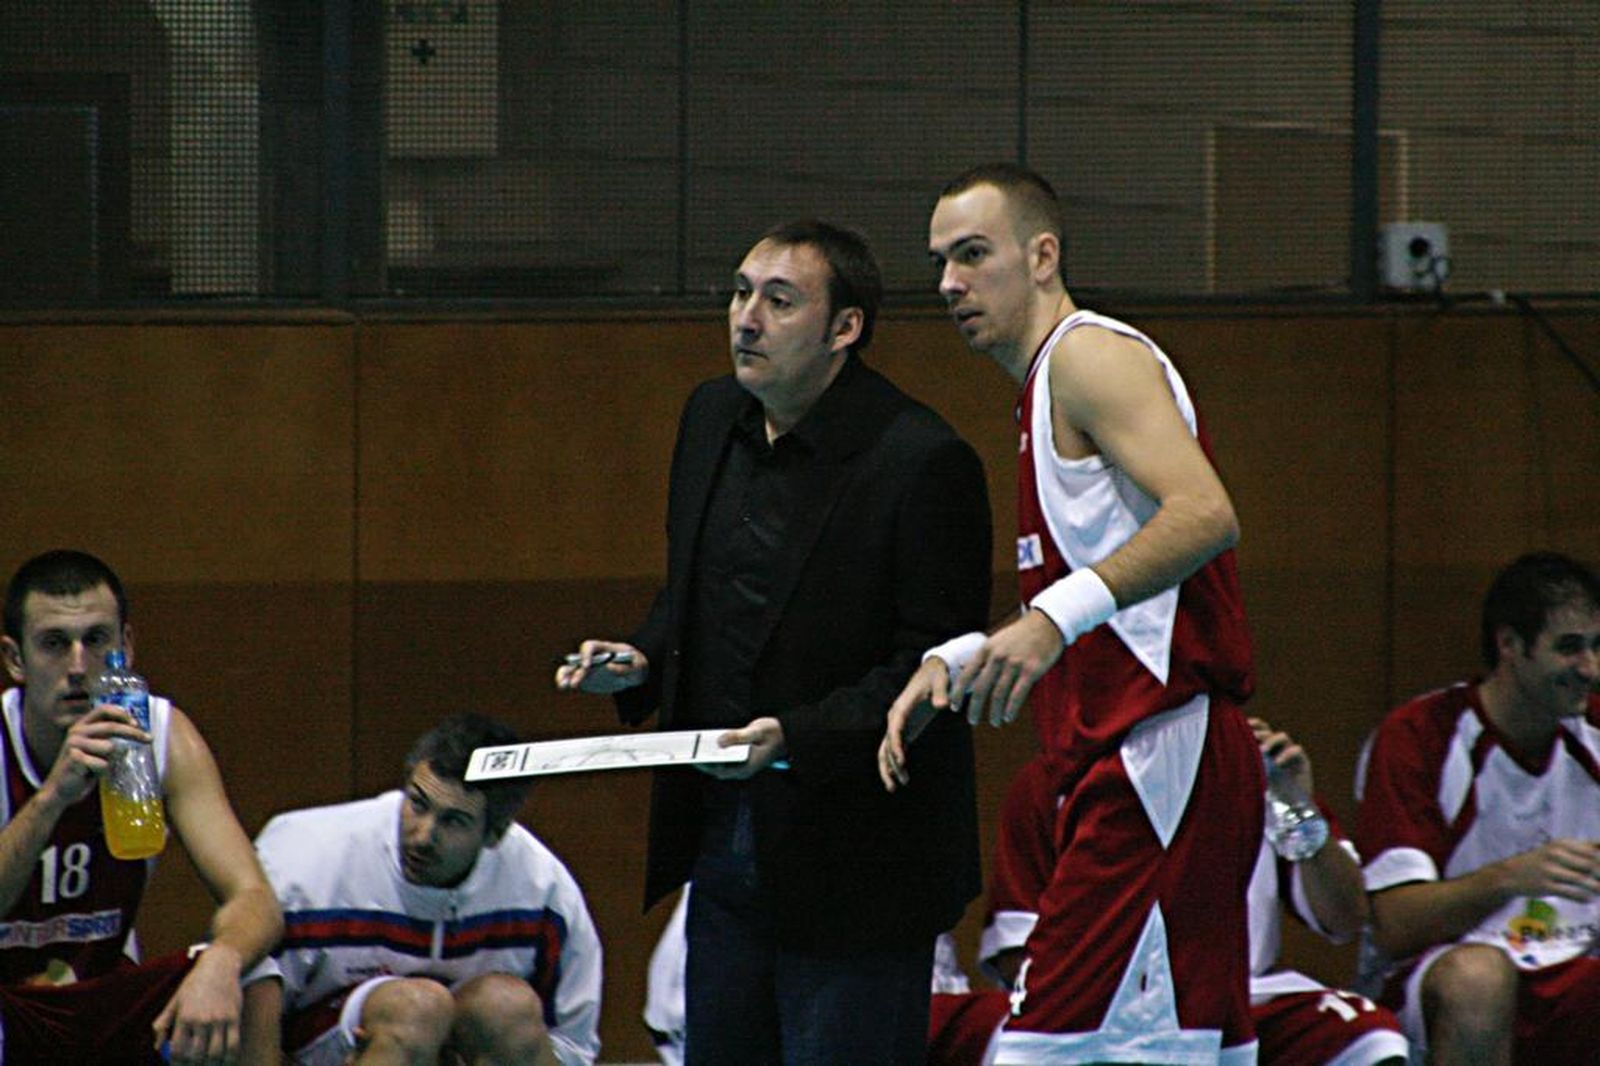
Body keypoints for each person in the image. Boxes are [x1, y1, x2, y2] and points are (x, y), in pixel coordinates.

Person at [556, 218, 993, 1064]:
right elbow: (700, 589)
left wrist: (795, 736)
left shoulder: (922, 460)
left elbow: (934, 665)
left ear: (845, 329)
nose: (745, 318)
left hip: (860, 863)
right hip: (725, 846)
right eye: (740, 292)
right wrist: (644, 655)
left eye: (779, 300)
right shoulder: (712, 415)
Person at [879, 162, 1261, 1063]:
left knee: (1046, 1051)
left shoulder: (1089, 355)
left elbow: (1206, 514)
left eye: (973, 255)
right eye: (939, 263)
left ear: (1042, 255)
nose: (948, 283)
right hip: (1136, 759)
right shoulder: (1045, 388)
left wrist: (1049, 618)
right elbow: (1104, 607)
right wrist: (965, 654)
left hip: (1160, 756)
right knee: (1175, 1048)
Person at [944, 726, 1408, 1066]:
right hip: (1095, 1000)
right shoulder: (1053, 778)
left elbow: (1346, 919)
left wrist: (1299, 810)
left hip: (1241, 997)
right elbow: (1013, 955)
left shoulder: (1247, 761)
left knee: (1369, 1040)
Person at [0, 549, 284, 1065]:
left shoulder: (159, 739)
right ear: (14, 659)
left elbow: (255, 898)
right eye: (54, 645)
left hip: (103, 991)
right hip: (8, 1001)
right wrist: (51, 798)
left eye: (97, 640)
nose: (79, 667)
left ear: (126, 647)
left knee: (253, 975)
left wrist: (222, 960)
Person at [1355, 551, 1600, 1064]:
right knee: (1479, 979)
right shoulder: (1421, 737)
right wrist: (1510, 878)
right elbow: (1396, 925)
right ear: (1509, 644)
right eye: (1570, 648)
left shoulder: (1593, 733)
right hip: (1442, 971)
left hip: (1575, 965)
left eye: (1598, 647)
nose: (1590, 669)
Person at [253, 713, 602, 1065]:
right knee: (415, 1011)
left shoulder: (544, 890)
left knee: (505, 1009)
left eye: (453, 821)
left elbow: (573, 1047)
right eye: (418, 803)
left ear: (495, 834)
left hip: (470, 1046)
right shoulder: (305, 859)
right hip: (326, 1047)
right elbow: (247, 1019)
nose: (423, 836)